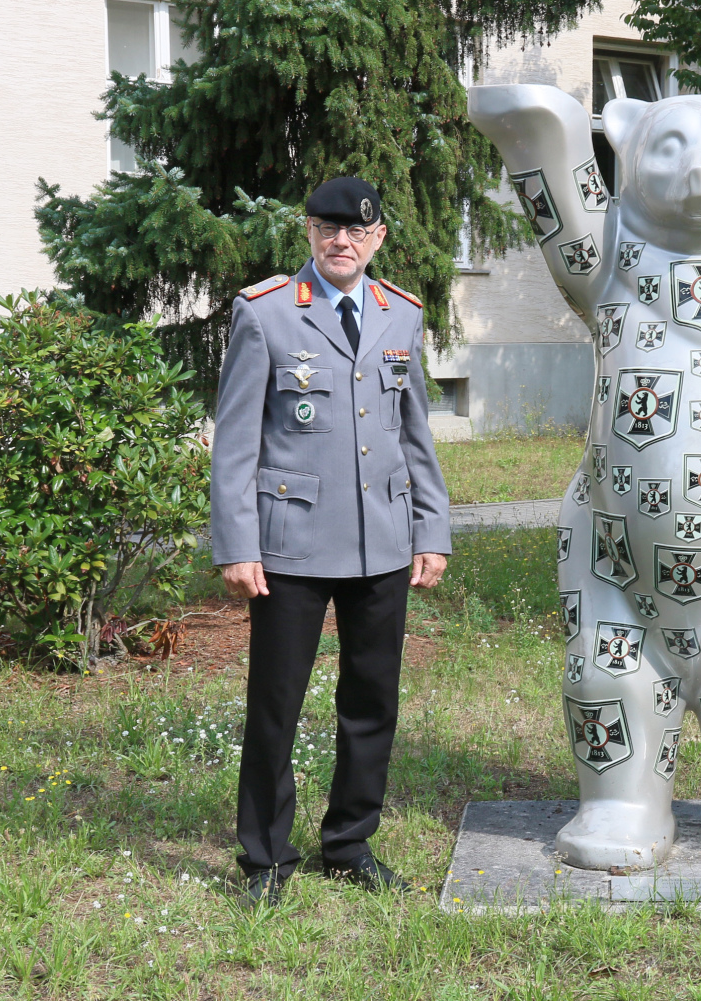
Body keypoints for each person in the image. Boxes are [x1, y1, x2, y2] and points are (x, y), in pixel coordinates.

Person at [210, 177, 451, 907]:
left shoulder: (399, 314)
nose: (340, 241)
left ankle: (348, 841)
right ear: (309, 233)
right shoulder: (267, 314)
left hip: (382, 540)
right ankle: (264, 857)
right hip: (291, 545)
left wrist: (430, 526)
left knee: (372, 698)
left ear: (377, 239)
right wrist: (236, 543)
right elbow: (237, 442)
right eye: (326, 228)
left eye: (355, 231)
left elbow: (413, 433)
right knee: (275, 702)